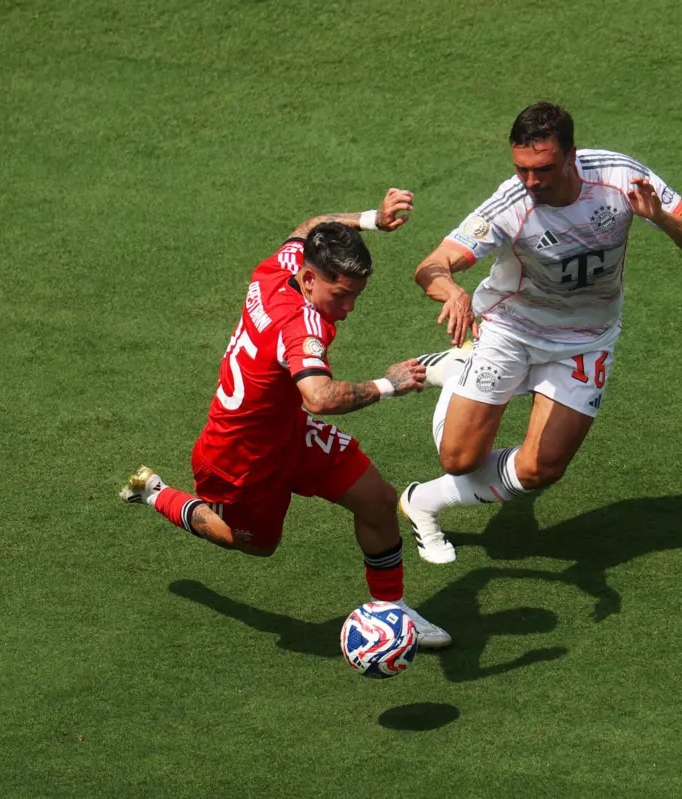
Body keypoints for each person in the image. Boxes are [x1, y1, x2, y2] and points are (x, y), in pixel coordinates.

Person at [120, 189, 451, 647]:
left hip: (287, 432)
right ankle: (156, 493)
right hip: (240, 457)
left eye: (357, 295)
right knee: (254, 544)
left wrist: (372, 219)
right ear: (310, 279)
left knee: (376, 500)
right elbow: (318, 397)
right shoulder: (300, 326)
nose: (350, 308)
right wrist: (390, 384)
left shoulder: (277, 270)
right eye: (342, 295)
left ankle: (391, 614)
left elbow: (308, 226)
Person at [402, 102, 682, 564]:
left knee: (543, 468)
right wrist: (450, 290)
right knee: (459, 460)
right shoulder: (510, 205)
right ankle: (456, 373)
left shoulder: (619, 177)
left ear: (573, 156)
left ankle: (424, 500)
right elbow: (432, 264)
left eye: (544, 168)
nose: (532, 181)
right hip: (509, 332)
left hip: (586, 340)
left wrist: (662, 218)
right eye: (522, 168)